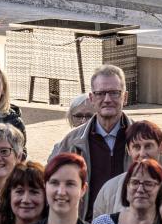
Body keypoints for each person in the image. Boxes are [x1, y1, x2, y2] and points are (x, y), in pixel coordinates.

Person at [50, 64, 132, 213]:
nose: (107, 99)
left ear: (125, 97)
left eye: (114, 93)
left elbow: (161, 186)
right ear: (92, 98)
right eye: (101, 93)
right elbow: (51, 187)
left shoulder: (141, 141)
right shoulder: (70, 142)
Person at [89, 119, 162, 217]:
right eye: (137, 147)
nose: (142, 154)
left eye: (148, 146)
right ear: (129, 150)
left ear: (161, 146)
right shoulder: (110, 189)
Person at [0, 160, 47, 224]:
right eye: (19, 191)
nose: (26, 200)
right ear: (9, 195)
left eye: (34, 192)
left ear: (46, 197)